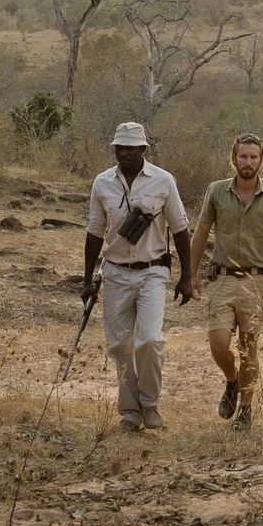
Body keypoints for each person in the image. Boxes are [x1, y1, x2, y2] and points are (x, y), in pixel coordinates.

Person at [83, 121, 192, 433]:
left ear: (144, 149)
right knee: (120, 346)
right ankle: (130, 413)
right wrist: (87, 279)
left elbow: (181, 228)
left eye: (131, 147)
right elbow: (94, 231)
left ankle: (150, 403)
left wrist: (186, 276)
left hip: (153, 271)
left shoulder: (163, 181)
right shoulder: (102, 182)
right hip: (115, 271)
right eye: (120, 147)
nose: (124, 152)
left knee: (149, 340)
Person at [190, 133, 263, 431]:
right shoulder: (216, 191)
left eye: (253, 157)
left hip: (257, 280)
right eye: (242, 156)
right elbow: (200, 233)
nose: (247, 162)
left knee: (250, 347)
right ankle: (231, 380)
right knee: (219, 342)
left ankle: (246, 411)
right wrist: (190, 274)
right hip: (222, 277)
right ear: (233, 158)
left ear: (261, 160)